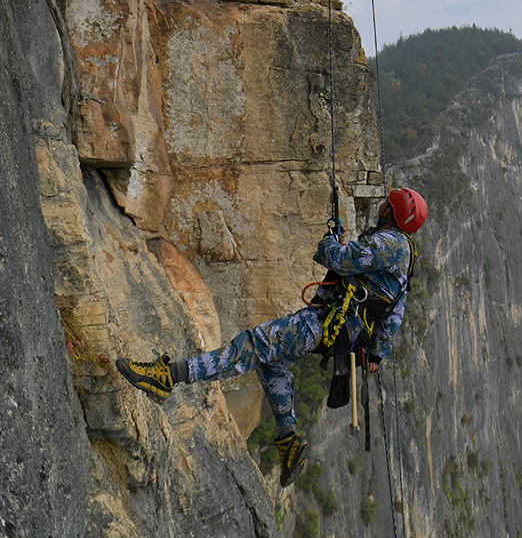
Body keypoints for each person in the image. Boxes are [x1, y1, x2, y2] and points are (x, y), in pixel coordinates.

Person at [116, 187, 427, 489]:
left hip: (323, 323)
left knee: (254, 345)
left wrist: (330, 241)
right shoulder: (407, 255)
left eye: (388, 204)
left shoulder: (390, 242)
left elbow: (340, 260)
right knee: (272, 365)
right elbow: (395, 312)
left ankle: (166, 377)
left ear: (393, 213)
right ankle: (289, 442)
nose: (383, 206)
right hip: (340, 333)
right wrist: (377, 353)